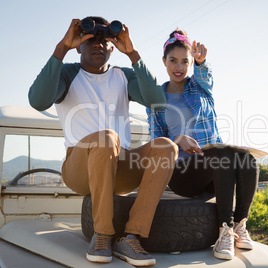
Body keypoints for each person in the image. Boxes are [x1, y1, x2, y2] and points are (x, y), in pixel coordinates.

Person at [29, 17, 178, 267]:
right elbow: (38, 100)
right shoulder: (66, 74)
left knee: (166, 146)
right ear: (79, 46)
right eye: (90, 38)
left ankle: (131, 236)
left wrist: (132, 53)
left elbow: (158, 101)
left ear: (113, 46)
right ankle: (102, 234)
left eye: (104, 38)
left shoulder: (123, 75)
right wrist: (62, 48)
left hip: (119, 169)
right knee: (107, 137)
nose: (97, 43)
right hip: (79, 170)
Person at [146, 29, 259, 260]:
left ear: (190, 64)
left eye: (184, 62)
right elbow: (155, 143)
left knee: (246, 159)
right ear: (164, 62)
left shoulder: (200, 89)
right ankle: (223, 231)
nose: (179, 67)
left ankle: (239, 225)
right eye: (173, 60)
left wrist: (201, 62)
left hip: (217, 170)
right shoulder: (155, 98)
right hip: (182, 174)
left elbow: (205, 76)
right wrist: (177, 140)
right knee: (222, 155)